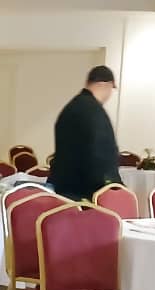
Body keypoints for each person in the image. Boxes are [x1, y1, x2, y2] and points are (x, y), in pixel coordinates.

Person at [48, 65, 122, 201]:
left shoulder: (70, 108)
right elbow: (102, 155)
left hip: (63, 188)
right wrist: (114, 186)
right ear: (106, 84)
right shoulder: (95, 112)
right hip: (87, 193)